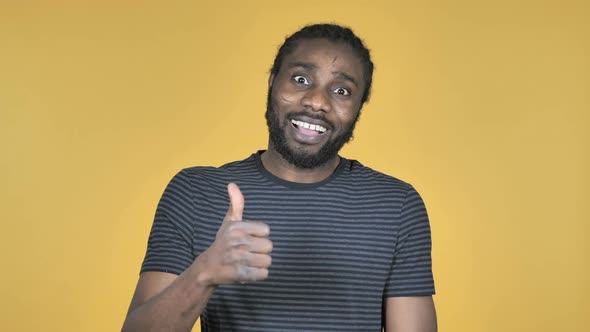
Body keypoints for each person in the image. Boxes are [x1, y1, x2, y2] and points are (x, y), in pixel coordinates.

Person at [122, 23, 437, 332]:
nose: (317, 101)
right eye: (301, 79)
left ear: (358, 107)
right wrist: (203, 275)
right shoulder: (196, 192)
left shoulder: (396, 205)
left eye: (341, 90)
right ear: (272, 83)